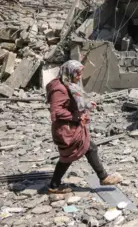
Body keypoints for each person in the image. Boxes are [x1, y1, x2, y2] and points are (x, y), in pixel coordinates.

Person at [46, 60, 122, 194]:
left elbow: (71, 104)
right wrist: (77, 116)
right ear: (69, 72)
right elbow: (57, 112)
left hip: (71, 127)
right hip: (66, 129)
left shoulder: (66, 84)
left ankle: (54, 184)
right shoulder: (59, 88)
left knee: (80, 151)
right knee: (78, 152)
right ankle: (102, 177)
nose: (79, 77)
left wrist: (85, 106)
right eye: (77, 74)